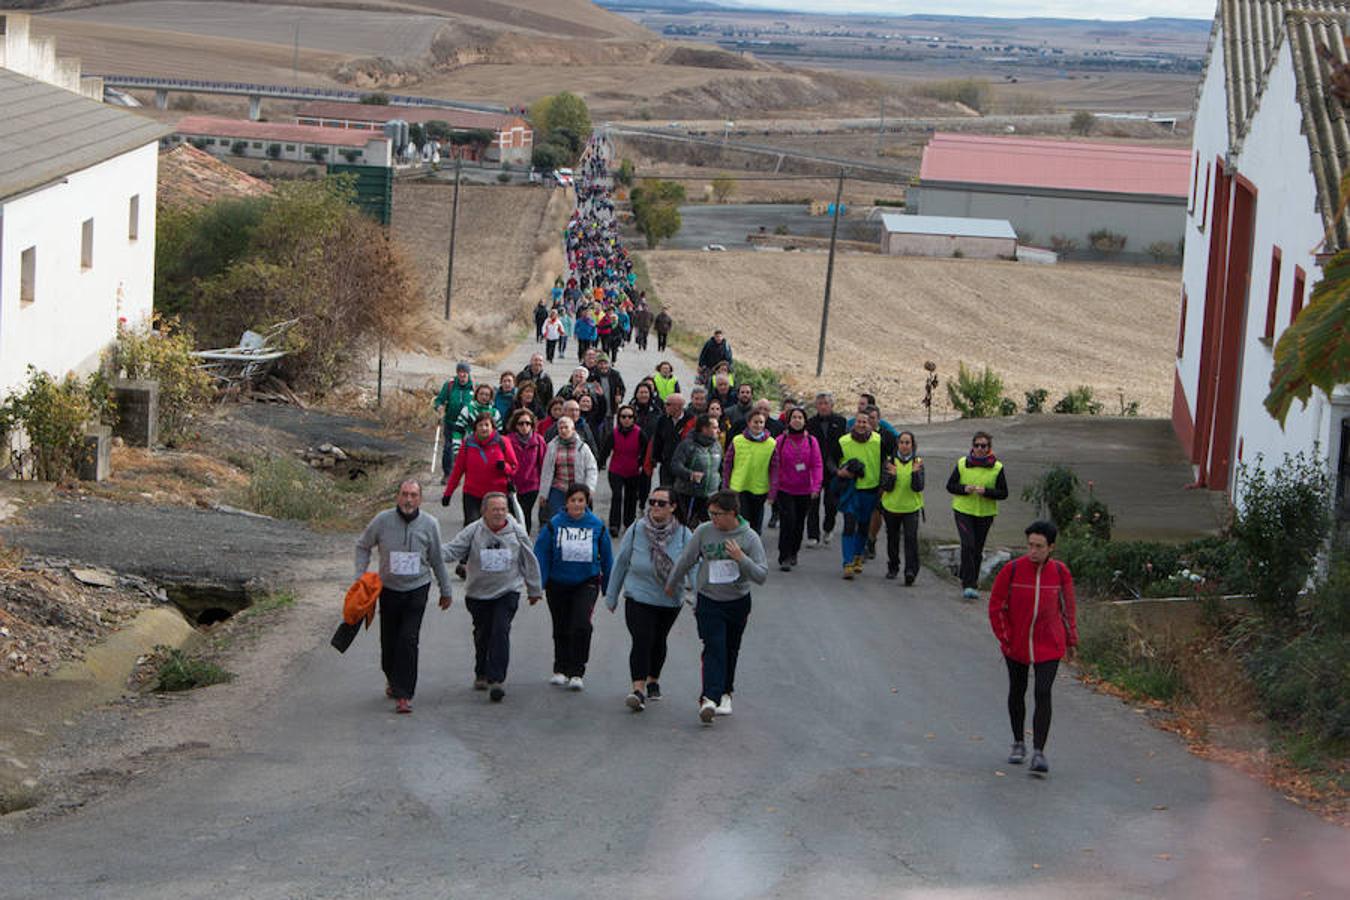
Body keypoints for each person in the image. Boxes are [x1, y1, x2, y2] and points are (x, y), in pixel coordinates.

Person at [664, 490, 768, 725]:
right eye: (710, 513)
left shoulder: (749, 537)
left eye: (717, 514)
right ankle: (709, 698)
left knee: (731, 649)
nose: (713, 519)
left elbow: (761, 575)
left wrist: (741, 558)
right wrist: (672, 582)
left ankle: (725, 693)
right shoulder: (704, 531)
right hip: (709, 599)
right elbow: (686, 559)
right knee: (714, 646)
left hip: (737, 601)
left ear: (732, 513)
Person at [354, 480, 453, 714]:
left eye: (413, 495)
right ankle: (392, 677)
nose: (408, 500)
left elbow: (437, 558)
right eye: (404, 495)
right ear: (397, 497)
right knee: (389, 642)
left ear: (420, 499)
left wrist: (446, 590)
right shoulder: (382, 520)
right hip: (389, 589)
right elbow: (362, 545)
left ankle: (404, 694)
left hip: (417, 588)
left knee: (408, 639)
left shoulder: (430, 524)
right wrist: (360, 576)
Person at [989, 520, 1077, 775]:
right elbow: (996, 606)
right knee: (1017, 690)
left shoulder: (1060, 573)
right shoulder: (1012, 571)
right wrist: (1005, 637)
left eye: (1039, 546)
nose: (1033, 551)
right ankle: (1018, 742)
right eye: (1030, 545)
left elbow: (1068, 608)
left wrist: (1071, 640)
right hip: (1016, 644)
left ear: (1051, 547)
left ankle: (1039, 751)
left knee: (1042, 692)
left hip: (1049, 645)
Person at [440, 493, 542, 703]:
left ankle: (497, 680)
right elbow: (452, 550)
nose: (499, 513)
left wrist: (534, 589)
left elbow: (529, 560)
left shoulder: (516, 532)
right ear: (484, 511)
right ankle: (482, 671)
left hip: (508, 590)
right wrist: (429, 551)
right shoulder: (474, 530)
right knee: (483, 633)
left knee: (500, 630)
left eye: (503, 509)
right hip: (478, 593)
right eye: (494, 509)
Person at [604, 486, 693, 712]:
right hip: (638, 594)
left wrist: (700, 597)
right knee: (642, 639)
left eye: (661, 503)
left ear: (673, 507)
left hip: (669, 598)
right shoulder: (637, 529)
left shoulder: (684, 533)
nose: (655, 506)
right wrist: (611, 595)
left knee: (658, 640)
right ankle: (638, 689)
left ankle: (654, 678)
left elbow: (694, 566)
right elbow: (622, 561)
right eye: (652, 501)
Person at [534, 484, 613, 691]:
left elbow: (607, 558)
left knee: (581, 624)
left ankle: (577, 671)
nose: (577, 504)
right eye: (573, 500)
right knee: (560, 626)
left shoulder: (597, 525)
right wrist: (538, 584)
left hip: (586, 582)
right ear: (566, 502)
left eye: (581, 500)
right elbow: (541, 554)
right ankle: (560, 668)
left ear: (587, 503)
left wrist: (609, 588)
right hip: (557, 582)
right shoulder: (554, 525)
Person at [946, 430, 1009, 600]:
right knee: (968, 545)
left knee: (977, 548)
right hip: (963, 510)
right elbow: (950, 486)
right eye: (977, 445)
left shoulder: (997, 467)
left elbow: (1004, 493)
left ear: (989, 448)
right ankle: (968, 584)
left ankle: (972, 580)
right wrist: (964, 489)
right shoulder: (962, 463)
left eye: (984, 446)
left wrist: (987, 492)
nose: (980, 449)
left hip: (985, 513)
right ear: (972, 447)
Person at [768, 407, 822, 571]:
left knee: (799, 523)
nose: (797, 420)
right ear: (788, 421)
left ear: (805, 421)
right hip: (785, 489)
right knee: (788, 521)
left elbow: (817, 465)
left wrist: (816, 486)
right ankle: (784, 556)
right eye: (794, 417)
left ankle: (794, 552)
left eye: (800, 417)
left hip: (804, 490)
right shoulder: (780, 441)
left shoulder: (812, 442)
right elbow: (773, 466)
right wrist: (772, 489)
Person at [442, 412, 518, 526]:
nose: (484, 428)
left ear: (493, 427)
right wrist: (448, 493)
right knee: (472, 529)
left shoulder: (503, 442)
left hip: (498, 495)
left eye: (487, 425)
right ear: (475, 428)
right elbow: (457, 471)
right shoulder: (467, 443)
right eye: (480, 425)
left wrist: (505, 467)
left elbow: (514, 467)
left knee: (498, 529)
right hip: (473, 495)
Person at [836, 414, 882, 580]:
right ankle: (847, 563)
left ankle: (857, 556)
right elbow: (833, 461)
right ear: (853, 424)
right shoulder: (843, 441)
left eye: (865, 422)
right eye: (859, 422)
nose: (862, 425)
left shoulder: (879, 441)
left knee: (863, 526)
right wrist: (839, 472)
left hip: (870, 489)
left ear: (871, 424)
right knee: (849, 524)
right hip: (851, 490)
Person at [879, 430, 924, 585]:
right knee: (893, 538)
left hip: (911, 507)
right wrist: (891, 475)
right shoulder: (889, 462)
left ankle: (910, 571)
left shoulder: (917, 462)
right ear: (897, 444)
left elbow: (919, 487)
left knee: (911, 539)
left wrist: (915, 474)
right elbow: (885, 486)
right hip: (892, 507)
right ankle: (893, 566)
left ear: (912, 445)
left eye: (907, 443)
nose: (904, 446)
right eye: (902, 442)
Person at [598, 404, 648, 538]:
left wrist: (642, 464)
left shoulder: (639, 433)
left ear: (634, 419)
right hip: (616, 470)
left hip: (633, 471)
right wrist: (598, 465)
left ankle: (629, 523)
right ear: (619, 418)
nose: (626, 419)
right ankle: (614, 525)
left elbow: (645, 452)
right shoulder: (613, 433)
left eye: (630, 417)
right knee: (617, 496)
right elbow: (605, 451)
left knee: (631, 498)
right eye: (623, 416)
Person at [722, 410, 776, 534]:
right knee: (743, 520)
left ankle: (754, 546)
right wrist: (726, 485)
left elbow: (774, 469)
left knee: (757, 522)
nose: (758, 425)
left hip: (759, 488)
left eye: (761, 422)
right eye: (755, 422)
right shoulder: (737, 440)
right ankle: (741, 547)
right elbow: (728, 464)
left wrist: (772, 492)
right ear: (748, 423)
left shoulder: (771, 443)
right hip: (739, 486)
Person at [806, 392, 847, 547]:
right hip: (814, 468)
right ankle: (813, 535)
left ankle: (828, 528)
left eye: (826, 403)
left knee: (831, 503)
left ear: (832, 405)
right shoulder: (810, 423)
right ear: (816, 406)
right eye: (820, 403)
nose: (823, 406)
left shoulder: (841, 422)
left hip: (834, 469)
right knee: (812, 503)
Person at [538, 415, 599, 517]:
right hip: (559, 487)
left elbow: (591, 469)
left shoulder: (582, 447)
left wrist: (589, 489)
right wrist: (543, 494)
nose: (563, 430)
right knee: (557, 517)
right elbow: (546, 471)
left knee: (577, 517)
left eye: (566, 427)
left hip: (577, 488)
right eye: (560, 428)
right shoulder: (552, 447)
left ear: (573, 429)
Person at [670, 413, 723, 526]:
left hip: (710, 495)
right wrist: (690, 474)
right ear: (704, 429)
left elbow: (721, 467)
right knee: (686, 526)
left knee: (710, 527)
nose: (718, 430)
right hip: (688, 494)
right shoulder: (687, 445)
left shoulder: (717, 445)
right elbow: (675, 465)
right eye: (714, 427)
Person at [506, 409, 547, 532]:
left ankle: (525, 540)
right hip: (512, 485)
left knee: (525, 513)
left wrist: (543, 485)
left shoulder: (539, 441)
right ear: (515, 425)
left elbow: (543, 464)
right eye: (521, 423)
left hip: (531, 486)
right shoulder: (507, 441)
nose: (524, 426)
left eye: (527, 423)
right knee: (513, 515)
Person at [434, 362, 474, 480]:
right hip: (451, 423)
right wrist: (439, 407)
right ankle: (448, 474)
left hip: (468, 425)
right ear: (457, 373)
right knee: (448, 448)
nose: (462, 374)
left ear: (468, 373)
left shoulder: (474, 387)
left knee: (468, 450)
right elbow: (439, 400)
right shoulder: (450, 385)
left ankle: (470, 475)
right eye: (460, 372)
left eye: (464, 372)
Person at [647, 392, 690, 487]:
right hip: (667, 464)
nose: (665, 406)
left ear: (678, 406)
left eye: (668, 404)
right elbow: (657, 439)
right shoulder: (662, 419)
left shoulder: (690, 420)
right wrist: (656, 457)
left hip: (684, 466)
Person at [453, 384, 502, 457]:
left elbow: (499, 434)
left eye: (487, 395)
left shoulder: (495, 413)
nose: (484, 397)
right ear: (476, 395)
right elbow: (458, 431)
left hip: (489, 451)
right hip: (470, 448)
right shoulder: (467, 410)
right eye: (481, 394)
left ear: (491, 397)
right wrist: (457, 449)